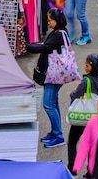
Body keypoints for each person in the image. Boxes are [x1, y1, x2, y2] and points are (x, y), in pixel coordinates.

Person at [28, 9, 70, 148]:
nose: (48, 22)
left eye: (50, 20)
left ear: (57, 20)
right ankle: (54, 132)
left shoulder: (58, 35)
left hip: (54, 75)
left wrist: (27, 47)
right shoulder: (57, 32)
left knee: (48, 105)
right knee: (53, 104)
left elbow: (45, 47)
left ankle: (58, 135)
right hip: (53, 74)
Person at [68, 54, 98, 169]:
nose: (85, 67)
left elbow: (75, 95)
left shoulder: (86, 81)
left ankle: (73, 168)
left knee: (72, 142)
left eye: (87, 65)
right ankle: (91, 171)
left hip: (83, 116)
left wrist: (73, 92)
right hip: (97, 117)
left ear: (92, 67)